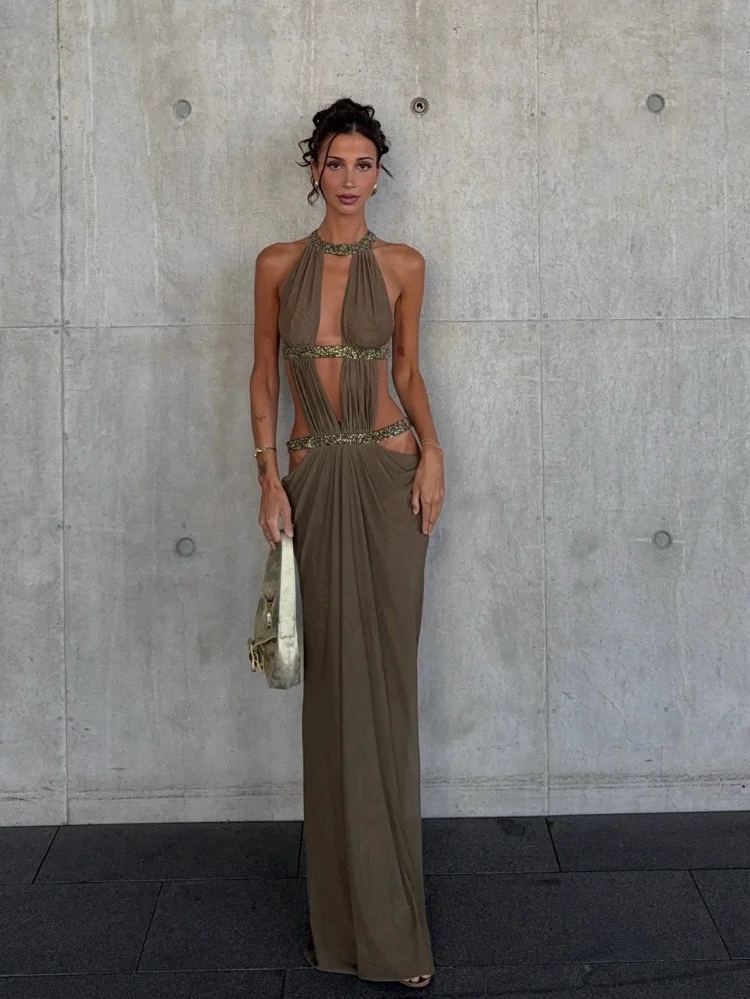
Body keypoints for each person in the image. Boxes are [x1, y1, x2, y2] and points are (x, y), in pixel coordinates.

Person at [249, 97, 445, 989]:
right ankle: (345, 926)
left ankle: (397, 927)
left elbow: (406, 370)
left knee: (387, 690)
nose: (351, 179)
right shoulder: (276, 264)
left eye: (366, 164)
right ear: (314, 170)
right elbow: (262, 376)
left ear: (379, 173)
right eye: (336, 163)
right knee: (332, 694)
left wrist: (434, 452)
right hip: (313, 482)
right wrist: (266, 479)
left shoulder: (404, 265)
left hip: (389, 477)